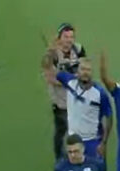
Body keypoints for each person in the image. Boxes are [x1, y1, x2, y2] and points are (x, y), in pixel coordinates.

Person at [47, 58, 113, 158]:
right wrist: (52, 54)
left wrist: (103, 143)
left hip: (93, 142)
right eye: (82, 69)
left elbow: (109, 117)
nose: (85, 73)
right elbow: (51, 70)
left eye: (88, 70)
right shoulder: (70, 82)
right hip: (73, 140)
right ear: (77, 71)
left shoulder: (100, 93)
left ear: (92, 73)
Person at [41, 23, 86, 159]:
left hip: (77, 99)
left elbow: (84, 68)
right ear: (59, 38)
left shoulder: (78, 49)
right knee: (62, 131)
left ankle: (80, 155)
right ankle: (59, 159)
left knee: (79, 130)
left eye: (71, 36)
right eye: (66, 37)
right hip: (61, 102)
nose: (69, 40)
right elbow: (49, 78)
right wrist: (69, 80)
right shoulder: (52, 54)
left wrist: (78, 77)